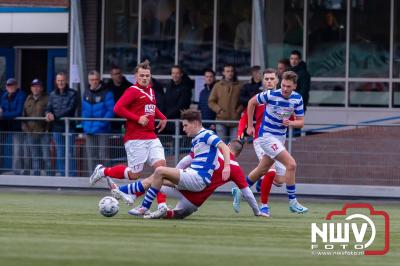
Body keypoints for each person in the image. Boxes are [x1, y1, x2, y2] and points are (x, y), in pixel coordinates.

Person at [107, 139, 266, 219]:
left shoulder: (210, 150)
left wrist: (177, 174)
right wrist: (256, 211)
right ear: (237, 154)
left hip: (183, 185)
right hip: (193, 200)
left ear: (226, 145)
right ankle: (157, 209)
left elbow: (185, 161)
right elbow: (247, 192)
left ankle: (123, 191)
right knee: (174, 215)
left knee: (156, 177)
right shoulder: (235, 167)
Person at [89, 60, 168, 208]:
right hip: (135, 138)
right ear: (135, 77)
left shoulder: (150, 90)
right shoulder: (132, 90)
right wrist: (137, 118)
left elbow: (150, 108)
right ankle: (103, 171)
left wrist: (162, 116)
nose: (145, 78)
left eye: (147, 75)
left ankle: (161, 205)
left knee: (161, 170)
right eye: (142, 75)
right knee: (134, 175)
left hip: (151, 136)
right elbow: (118, 108)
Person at [125, 109, 231, 216]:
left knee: (160, 170)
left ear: (195, 124)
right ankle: (126, 193)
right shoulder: (196, 139)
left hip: (198, 178)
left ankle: (143, 206)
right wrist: (174, 171)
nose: (183, 129)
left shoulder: (206, 134)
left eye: (185, 125)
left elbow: (224, 147)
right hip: (192, 177)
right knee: (156, 179)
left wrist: (227, 166)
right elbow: (187, 159)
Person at [245, 71, 308, 214]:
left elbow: (301, 123)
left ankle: (240, 188)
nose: (285, 89)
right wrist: (250, 125)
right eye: (284, 85)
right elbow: (251, 102)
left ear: (294, 86)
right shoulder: (271, 94)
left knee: (265, 171)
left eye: (289, 86)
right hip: (266, 136)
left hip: (280, 138)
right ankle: (293, 202)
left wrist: (291, 122)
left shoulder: (297, 99)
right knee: (291, 164)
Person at [235, 69, 289, 216]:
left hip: (277, 140)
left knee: (279, 180)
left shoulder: (284, 98)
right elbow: (244, 117)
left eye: (272, 79)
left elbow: (294, 115)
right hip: (261, 138)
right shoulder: (259, 99)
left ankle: (243, 189)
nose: (269, 81)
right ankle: (264, 206)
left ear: (278, 81)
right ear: (263, 81)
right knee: (270, 171)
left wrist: (290, 121)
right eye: (266, 79)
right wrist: (244, 129)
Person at [46, 72, 78, 176]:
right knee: (60, 154)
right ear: (56, 82)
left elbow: (70, 109)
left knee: (70, 154)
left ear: (66, 81)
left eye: (62, 80)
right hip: (57, 129)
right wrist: (48, 114)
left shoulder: (73, 93)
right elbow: (48, 108)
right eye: (59, 80)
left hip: (70, 128)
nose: (61, 82)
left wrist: (55, 116)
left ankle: (72, 177)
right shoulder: (52, 94)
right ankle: (63, 176)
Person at [82, 70, 115, 174]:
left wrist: (102, 123)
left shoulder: (107, 93)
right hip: (89, 129)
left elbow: (111, 110)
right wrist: (84, 125)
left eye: (96, 79)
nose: (94, 82)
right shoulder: (86, 92)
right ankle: (93, 177)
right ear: (89, 81)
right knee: (91, 155)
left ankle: (107, 177)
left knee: (103, 155)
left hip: (102, 129)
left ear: (99, 80)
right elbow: (83, 111)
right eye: (92, 80)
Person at [22, 79, 51, 176]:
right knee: (35, 157)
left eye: (38, 86)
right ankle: (36, 178)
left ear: (41, 88)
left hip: (43, 133)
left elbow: (50, 113)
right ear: (31, 88)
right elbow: (23, 116)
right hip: (31, 133)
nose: (36, 88)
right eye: (34, 86)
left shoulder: (47, 99)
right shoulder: (28, 99)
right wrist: (26, 130)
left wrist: (47, 129)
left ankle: (50, 178)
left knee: (46, 157)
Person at [208, 64, 243, 141]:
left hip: (235, 120)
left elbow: (244, 101)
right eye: (227, 71)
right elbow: (211, 101)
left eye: (231, 71)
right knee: (221, 145)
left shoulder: (239, 86)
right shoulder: (217, 85)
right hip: (221, 119)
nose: (230, 73)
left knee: (235, 145)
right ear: (223, 73)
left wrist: (238, 111)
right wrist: (219, 110)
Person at [0, 78, 26, 175]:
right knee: (1, 147)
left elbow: (18, 112)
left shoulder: (21, 95)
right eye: (8, 85)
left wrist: (3, 115)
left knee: (17, 150)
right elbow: (2, 107)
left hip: (17, 126)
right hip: (4, 126)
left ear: (16, 86)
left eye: (12, 85)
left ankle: (17, 173)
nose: (10, 87)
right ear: (6, 87)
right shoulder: (4, 96)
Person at [163, 65, 192, 134]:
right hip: (168, 121)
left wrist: (166, 115)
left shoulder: (185, 88)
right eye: (173, 73)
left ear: (181, 74)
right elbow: (165, 101)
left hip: (179, 122)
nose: (175, 75)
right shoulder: (169, 86)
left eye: (177, 73)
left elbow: (181, 105)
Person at [105, 65, 132, 133]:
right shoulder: (107, 87)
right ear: (111, 76)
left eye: (119, 73)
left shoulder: (129, 87)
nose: (118, 75)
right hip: (111, 119)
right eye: (116, 74)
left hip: (125, 119)